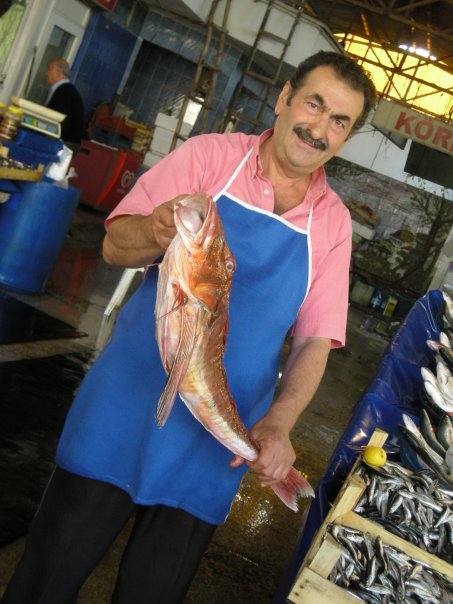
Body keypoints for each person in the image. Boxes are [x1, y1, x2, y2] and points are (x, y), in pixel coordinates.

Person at [1, 50, 377, 604]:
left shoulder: (334, 223)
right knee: (46, 577)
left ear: (347, 137)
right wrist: (155, 231)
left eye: (339, 121)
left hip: (214, 440)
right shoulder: (208, 157)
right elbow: (112, 244)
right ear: (284, 98)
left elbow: (315, 339)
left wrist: (278, 422)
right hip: (123, 408)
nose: (318, 129)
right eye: (313, 105)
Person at [45, 58, 85, 146]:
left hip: (64, 144)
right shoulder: (66, 90)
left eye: (49, 69)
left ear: (59, 73)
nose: (46, 73)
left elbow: (53, 121)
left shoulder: (64, 92)